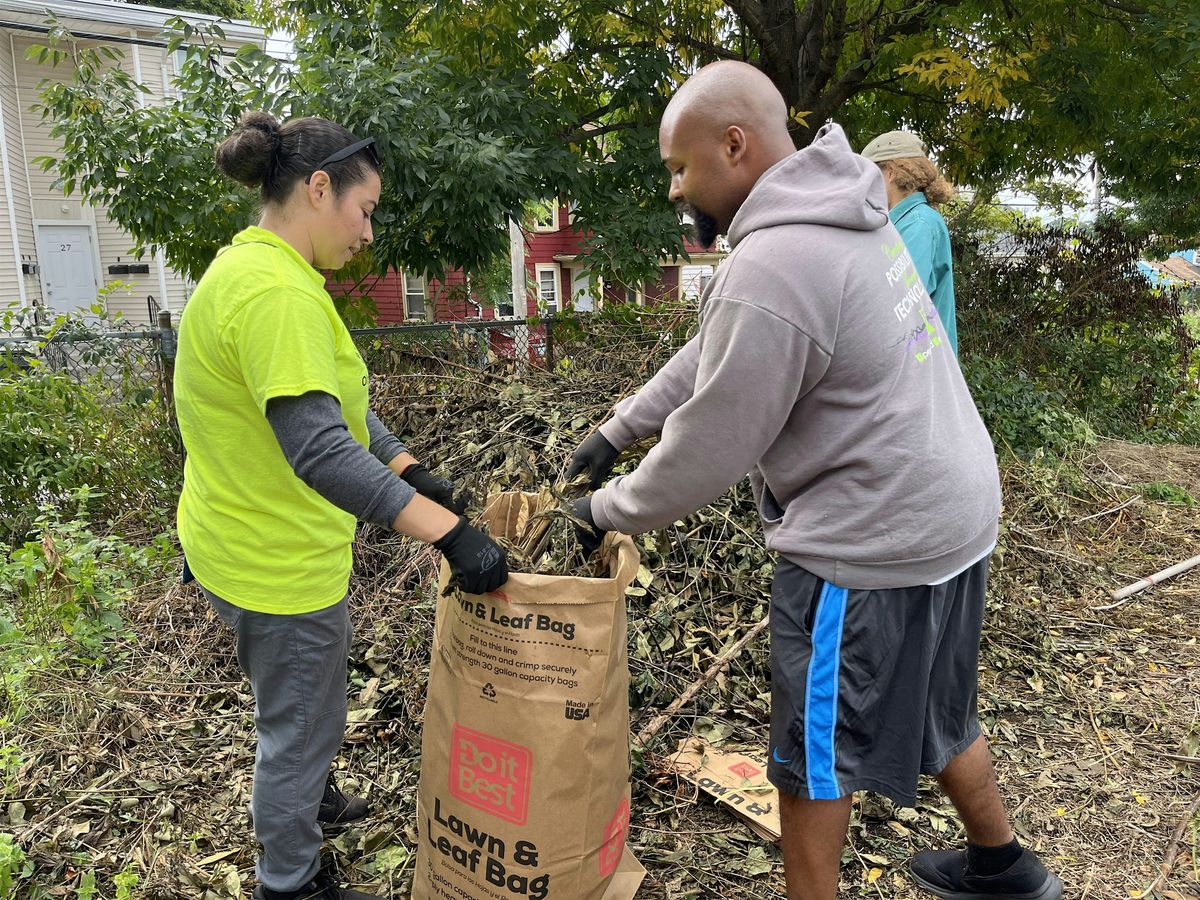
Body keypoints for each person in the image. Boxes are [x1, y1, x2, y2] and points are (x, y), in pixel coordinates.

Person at [566, 62, 1061, 900]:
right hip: (953, 512)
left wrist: (605, 510)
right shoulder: (844, 212)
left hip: (873, 533)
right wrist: (620, 427)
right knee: (939, 707)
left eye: (681, 167)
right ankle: (1003, 866)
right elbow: (721, 344)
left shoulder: (777, 260)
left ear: (734, 145)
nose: (677, 189)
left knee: (811, 758)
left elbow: (710, 449)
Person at [174, 111, 508, 900]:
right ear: (319, 189)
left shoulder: (257, 269)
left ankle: (306, 791)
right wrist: (450, 534)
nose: (368, 232)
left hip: (235, 535)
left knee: (298, 700)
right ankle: (289, 880)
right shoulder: (275, 295)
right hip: (275, 566)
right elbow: (320, 450)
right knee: (299, 725)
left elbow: (332, 400)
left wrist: (407, 468)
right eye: (365, 210)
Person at [861, 130, 959, 355]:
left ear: (890, 173)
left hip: (921, 365)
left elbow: (901, 302)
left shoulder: (918, 224)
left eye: (869, 174)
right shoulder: (903, 223)